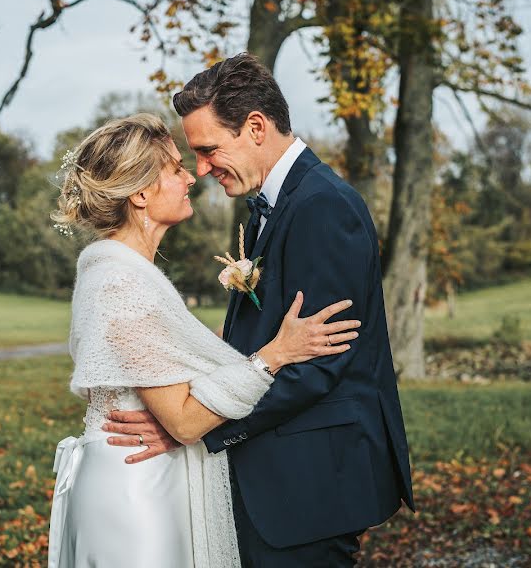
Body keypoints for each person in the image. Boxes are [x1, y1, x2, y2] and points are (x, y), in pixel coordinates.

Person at [104, 54, 415, 566]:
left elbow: (319, 365)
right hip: (284, 470)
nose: (202, 169)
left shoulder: (322, 206)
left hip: (312, 480)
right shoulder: (275, 203)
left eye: (207, 150)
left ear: (254, 127)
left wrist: (197, 426)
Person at [47, 112, 361, 568]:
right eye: (175, 168)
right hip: (136, 491)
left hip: (148, 477)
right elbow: (186, 423)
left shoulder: (128, 274)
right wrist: (275, 354)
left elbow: (175, 356)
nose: (192, 177)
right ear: (140, 194)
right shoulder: (119, 283)